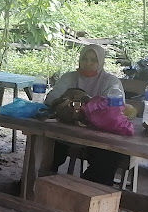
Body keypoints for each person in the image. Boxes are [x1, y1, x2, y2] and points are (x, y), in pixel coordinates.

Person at [44, 44, 124, 185]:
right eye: (84, 59)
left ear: (101, 62)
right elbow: (50, 99)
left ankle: (88, 192)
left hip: (97, 134)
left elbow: (115, 108)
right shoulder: (69, 77)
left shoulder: (111, 82)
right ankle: (36, 184)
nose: (88, 63)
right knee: (46, 145)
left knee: (108, 156)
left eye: (93, 60)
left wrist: (83, 104)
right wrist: (63, 103)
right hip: (66, 130)